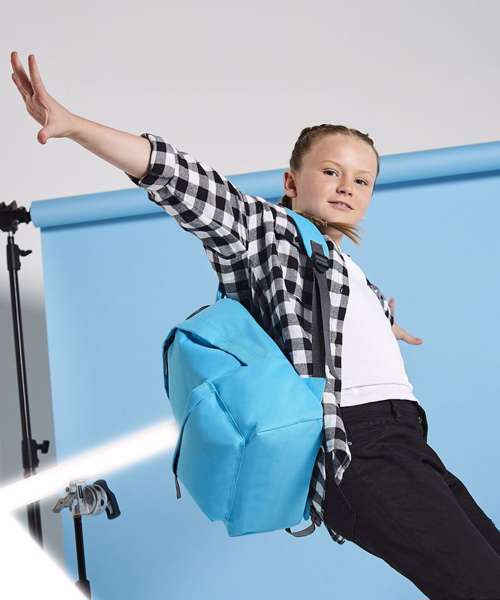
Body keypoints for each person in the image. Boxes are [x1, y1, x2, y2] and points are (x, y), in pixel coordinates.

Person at [10, 51, 500, 599]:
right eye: (331, 171)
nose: (347, 187)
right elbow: (178, 177)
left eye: (362, 180)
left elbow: (335, 318)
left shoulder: (343, 267)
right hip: (356, 446)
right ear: (291, 181)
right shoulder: (266, 232)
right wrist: (74, 125)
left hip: (406, 439)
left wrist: (387, 319)